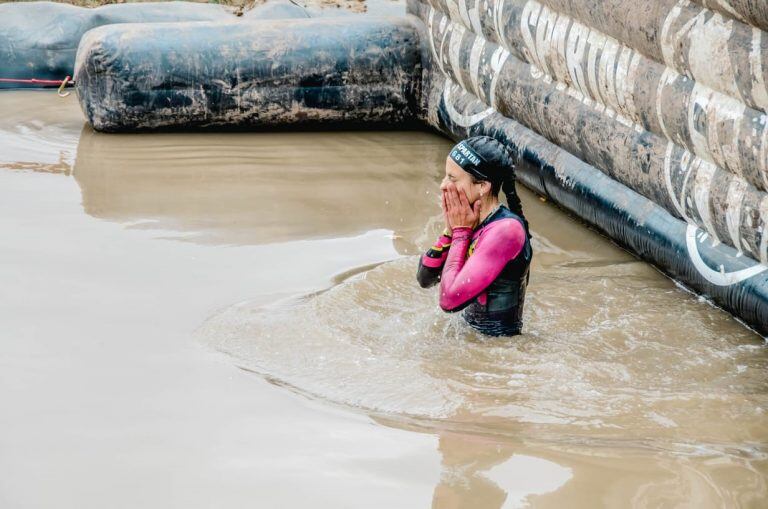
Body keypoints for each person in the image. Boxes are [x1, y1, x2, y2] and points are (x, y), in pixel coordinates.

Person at [416, 136, 532, 336]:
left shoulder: (506, 231)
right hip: (471, 337)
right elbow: (424, 279)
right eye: (445, 176)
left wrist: (460, 233)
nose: (443, 185)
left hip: (498, 351)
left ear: (482, 186)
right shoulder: (469, 220)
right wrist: (450, 232)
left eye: (452, 178)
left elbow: (448, 300)